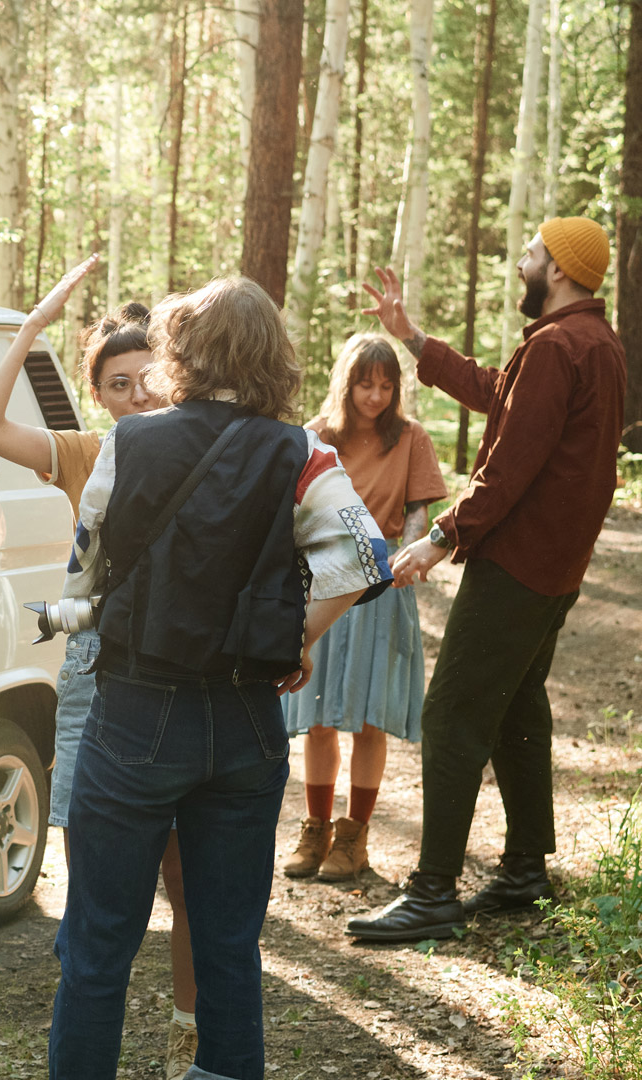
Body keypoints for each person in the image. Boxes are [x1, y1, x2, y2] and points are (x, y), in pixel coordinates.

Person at [50, 277, 391, 1080]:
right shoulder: (301, 450)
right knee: (229, 946)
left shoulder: (129, 443)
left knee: (99, 946)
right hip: (246, 719)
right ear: (273, 356)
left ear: (183, 350)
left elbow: (84, 580)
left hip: (135, 710)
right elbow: (367, 556)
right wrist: (295, 639)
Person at [347, 217, 629, 942]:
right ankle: (525, 869)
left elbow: (509, 465)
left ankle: (433, 890)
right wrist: (411, 339)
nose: (521, 264)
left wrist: (440, 537)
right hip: (555, 569)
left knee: (453, 714)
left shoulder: (561, 346)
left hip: (518, 565)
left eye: (532, 254)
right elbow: (498, 393)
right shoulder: (594, 344)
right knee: (516, 708)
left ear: (560, 270)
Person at [0, 255, 204, 1080]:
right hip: (102, 664)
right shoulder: (82, 451)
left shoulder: (207, 446)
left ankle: (187, 1038)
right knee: (97, 864)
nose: (137, 393)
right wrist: (29, 332)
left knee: (186, 873)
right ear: (97, 394)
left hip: (187, 665)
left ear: (174, 376)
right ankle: (88, 1018)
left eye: (150, 377)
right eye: (118, 383)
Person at [281, 336, 447, 882]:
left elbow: (419, 510)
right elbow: (294, 508)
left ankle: (354, 837)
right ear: (346, 383)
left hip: (382, 587)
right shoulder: (315, 436)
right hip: (323, 585)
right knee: (320, 718)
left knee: (369, 719)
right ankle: (316, 830)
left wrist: (408, 553)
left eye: (386, 385)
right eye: (364, 383)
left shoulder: (411, 438)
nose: (375, 395)